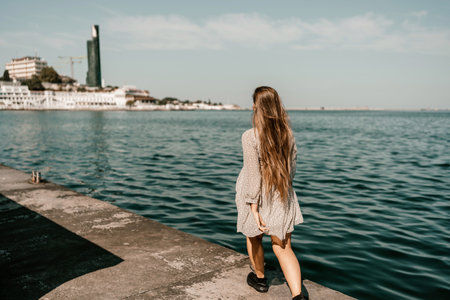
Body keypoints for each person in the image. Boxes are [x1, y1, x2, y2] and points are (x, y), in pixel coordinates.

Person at [235, 86, 305, 300]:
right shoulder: (288, 135)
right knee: (283, 245)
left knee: (254, 237)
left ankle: (260, 279)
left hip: (255, 195)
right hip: (281, 193)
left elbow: (253, 174)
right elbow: (291, 170)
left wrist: (253, 207)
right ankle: (298, 295)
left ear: (256, 107)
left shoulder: (250, 136)